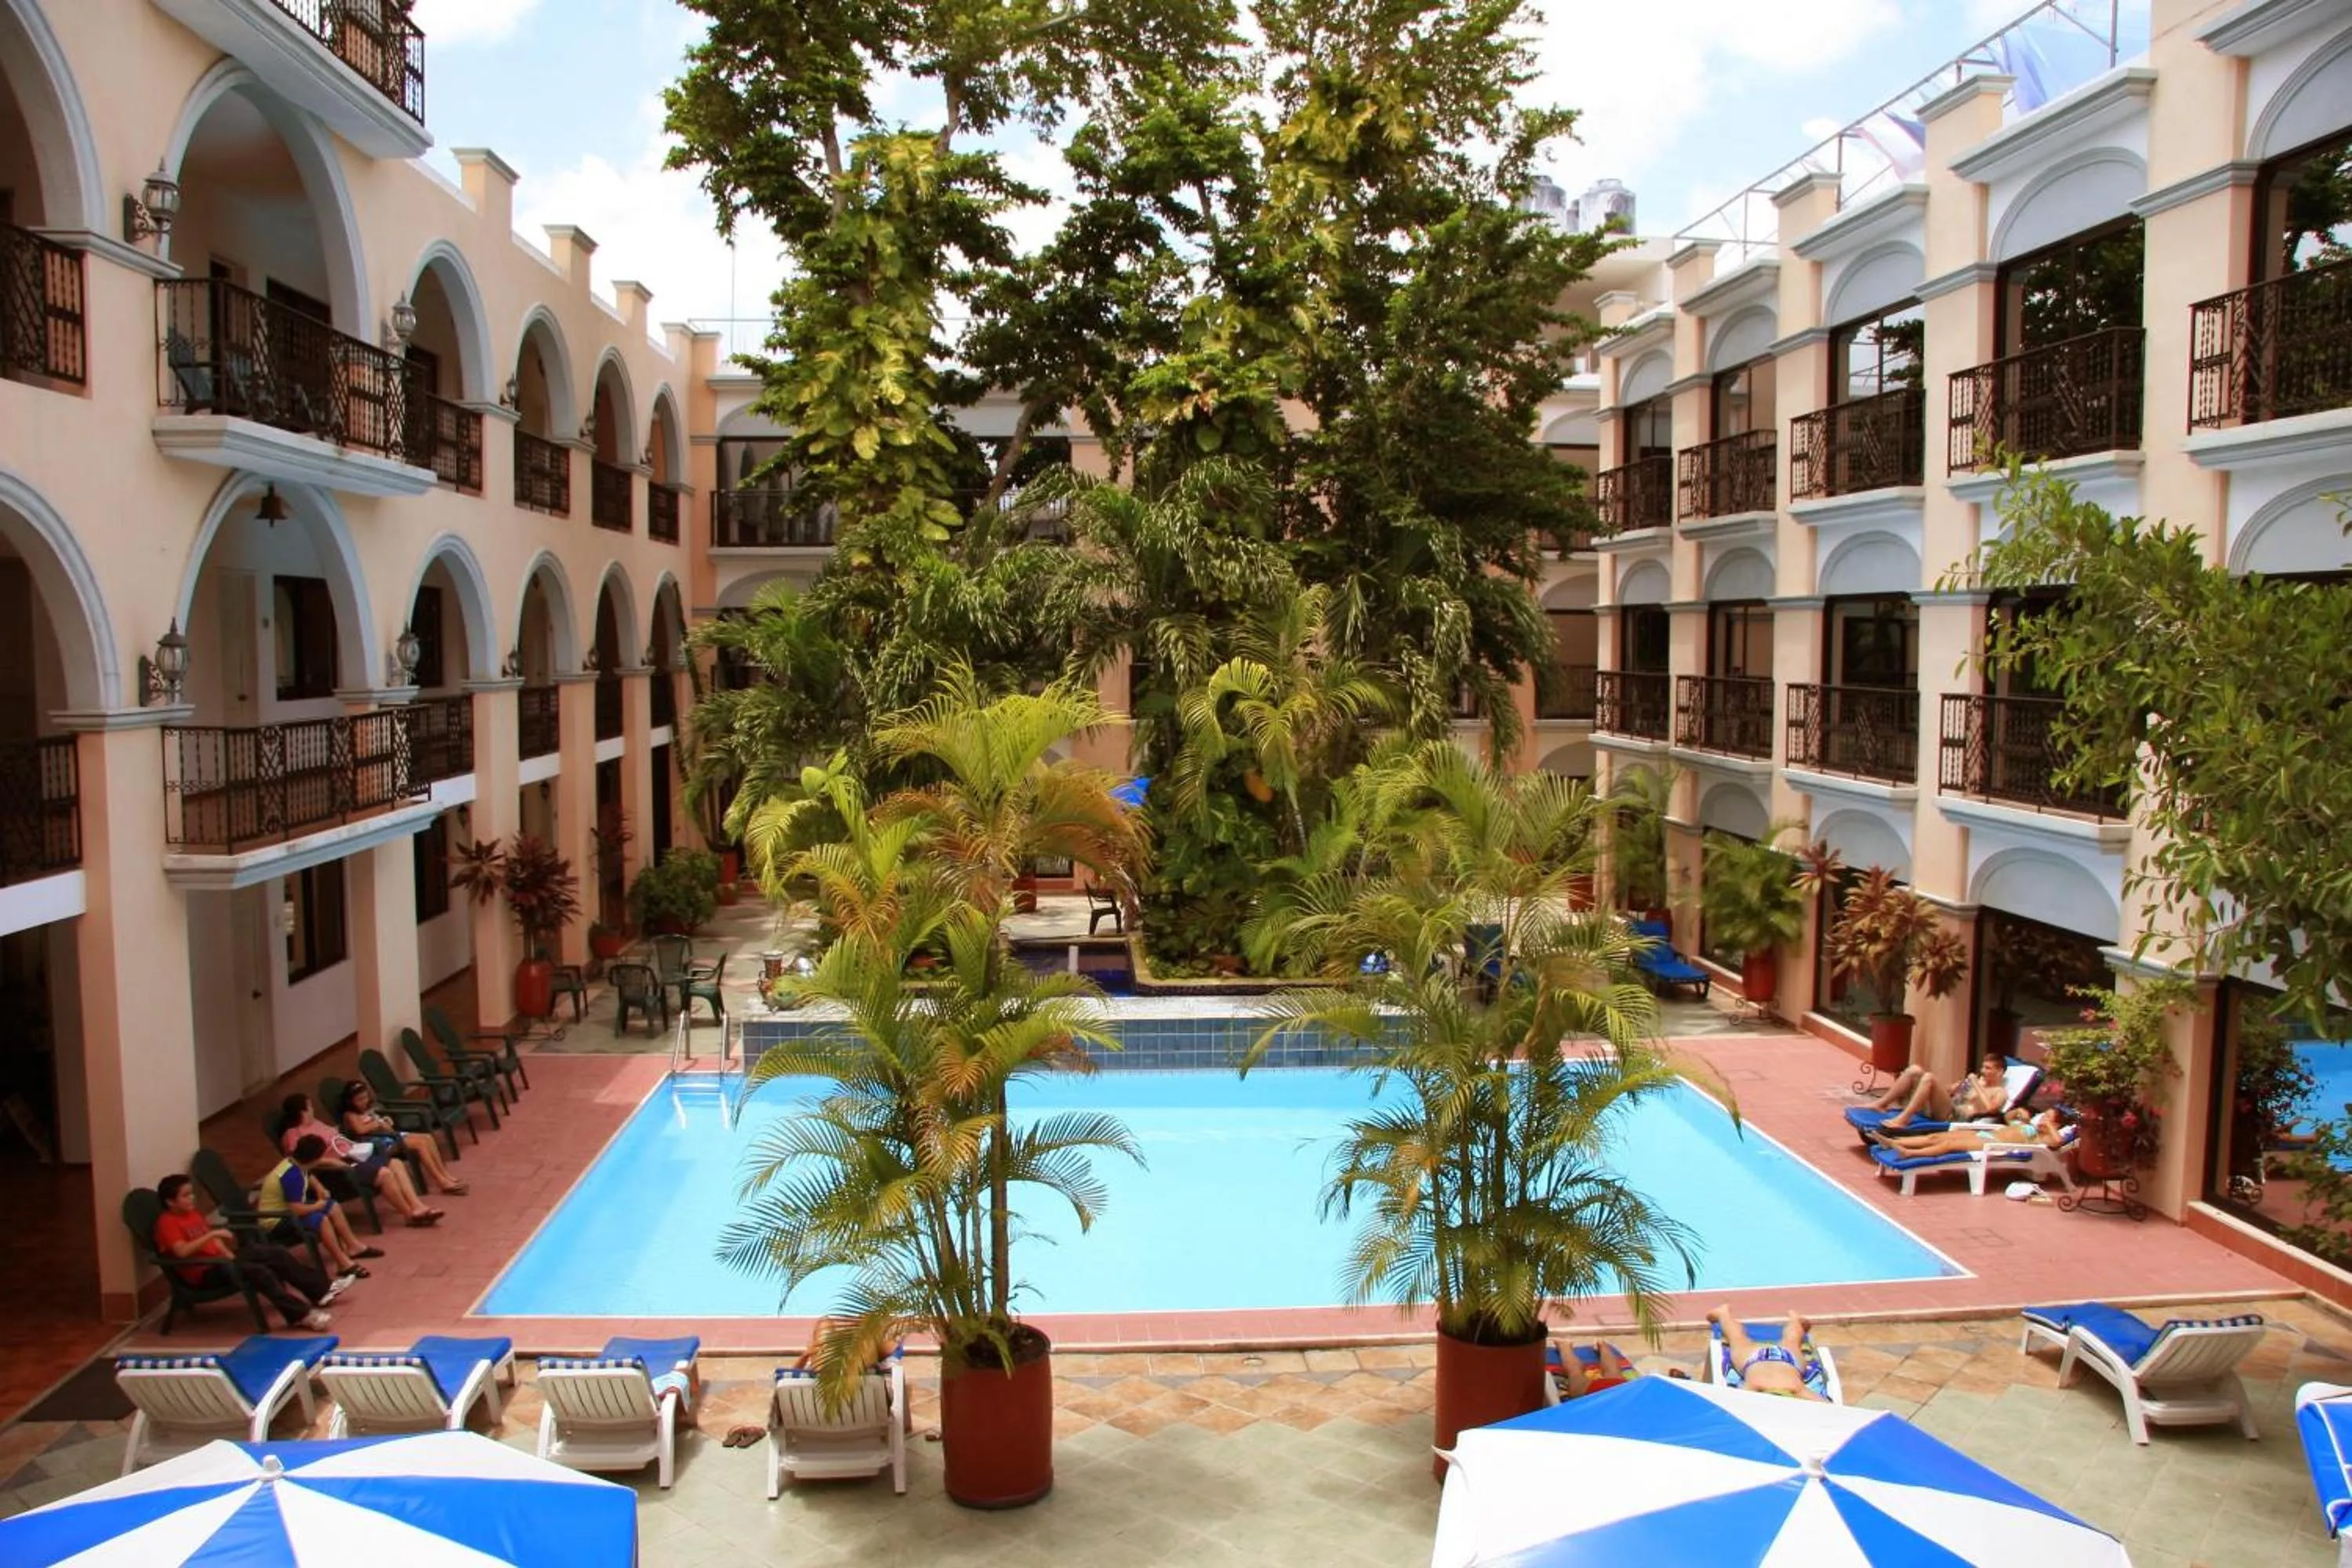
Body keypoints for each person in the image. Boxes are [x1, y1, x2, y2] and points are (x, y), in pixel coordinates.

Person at [151, 1172, 341, 1330]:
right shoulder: (167, 1223)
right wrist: (212, 1237)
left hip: (223, 1261)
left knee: (275, 1253)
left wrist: (229, 1255)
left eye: (191, 1194)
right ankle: (301, 1315)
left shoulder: (192, 1214)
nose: (192, 1198)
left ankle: (320, 1290)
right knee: (260, 1272)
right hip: (205, 1273)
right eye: (185, 1196)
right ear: (170, 1202)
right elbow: (182, 1252)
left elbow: (215, 1241)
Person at [280, 1092, 443, 1226]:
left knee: (396, 1163)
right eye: (310, 1106)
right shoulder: (293, 1134)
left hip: (354, 1156)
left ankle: (417, 1206)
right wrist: (333, 1162)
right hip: (338, 1169)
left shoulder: (317, 1123)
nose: (312, 1109)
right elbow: (299, 1161)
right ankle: (410, 1215)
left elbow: (336, 1135)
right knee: (384, 1174)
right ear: (302, 1111)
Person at [256, 1134, 372, 1278]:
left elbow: (308, 1174)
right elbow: (296, 1209)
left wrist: (320, 1188)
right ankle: (343, 1264)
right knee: (321, 1219)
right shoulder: (292, 1176)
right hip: (275, 1220)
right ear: (316, 1158)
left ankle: (354, 1246)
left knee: (332, 1206)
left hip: (287, 1210)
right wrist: (317, 1206)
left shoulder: (294, 1162)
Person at [336, 1083, 467, 1196]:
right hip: (376, 1145)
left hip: (387, 1136)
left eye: (365, 1097)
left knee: (427, 1138)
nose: (364, 1101)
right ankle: (441, 1181)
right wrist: (377, 1123)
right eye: (359, 1099)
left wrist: (385, 1123)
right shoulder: (350, 1115)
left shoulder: (368, 1110)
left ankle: (444, 1174)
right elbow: (361, 1130)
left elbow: (383, 1127)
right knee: (420, 1144)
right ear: (351, 1101)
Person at [1707, 1307, 1828, 1402]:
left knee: (1737, 1338)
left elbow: (1825, 1405)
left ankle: (1724, 1314)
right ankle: (1795, 1320)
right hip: (1756, 1359)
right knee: (1738, 1339)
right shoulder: (1792, 1388)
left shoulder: (1794, 1388)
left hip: (1785, 1359)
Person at [1870, 1051, 2011, 1130]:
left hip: (1956, 1118)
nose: (1982, 1071)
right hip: (1944, 1108)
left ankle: (1903, 1119)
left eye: (1988, 1068)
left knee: (1930, 1077)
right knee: (1915, 1070)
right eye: (1983, 1067)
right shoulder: (1977, 1082)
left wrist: (1976, 1084)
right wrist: (1957, 1087)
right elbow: (1947, 1090)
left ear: (1999, 1072)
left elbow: (1992, 1109)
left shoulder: (2000, 1092)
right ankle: (1881, 1104)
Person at [1867, 1106, 2072, 1159]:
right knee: (1938, 1137)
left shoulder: (2046, 1136)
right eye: (2045, 1114)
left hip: (1994, 1145)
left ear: (2056, 1123)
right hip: (1987, 1135)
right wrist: (2017, 1113)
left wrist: (2051, 1127)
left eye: (2049, 1117)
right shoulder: (2033, 1126)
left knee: (1948, 1146)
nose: (2044, 1118)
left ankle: (1910, 1152)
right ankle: (1891, 1142)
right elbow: (2008, 1118)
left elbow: (2058, 1142)